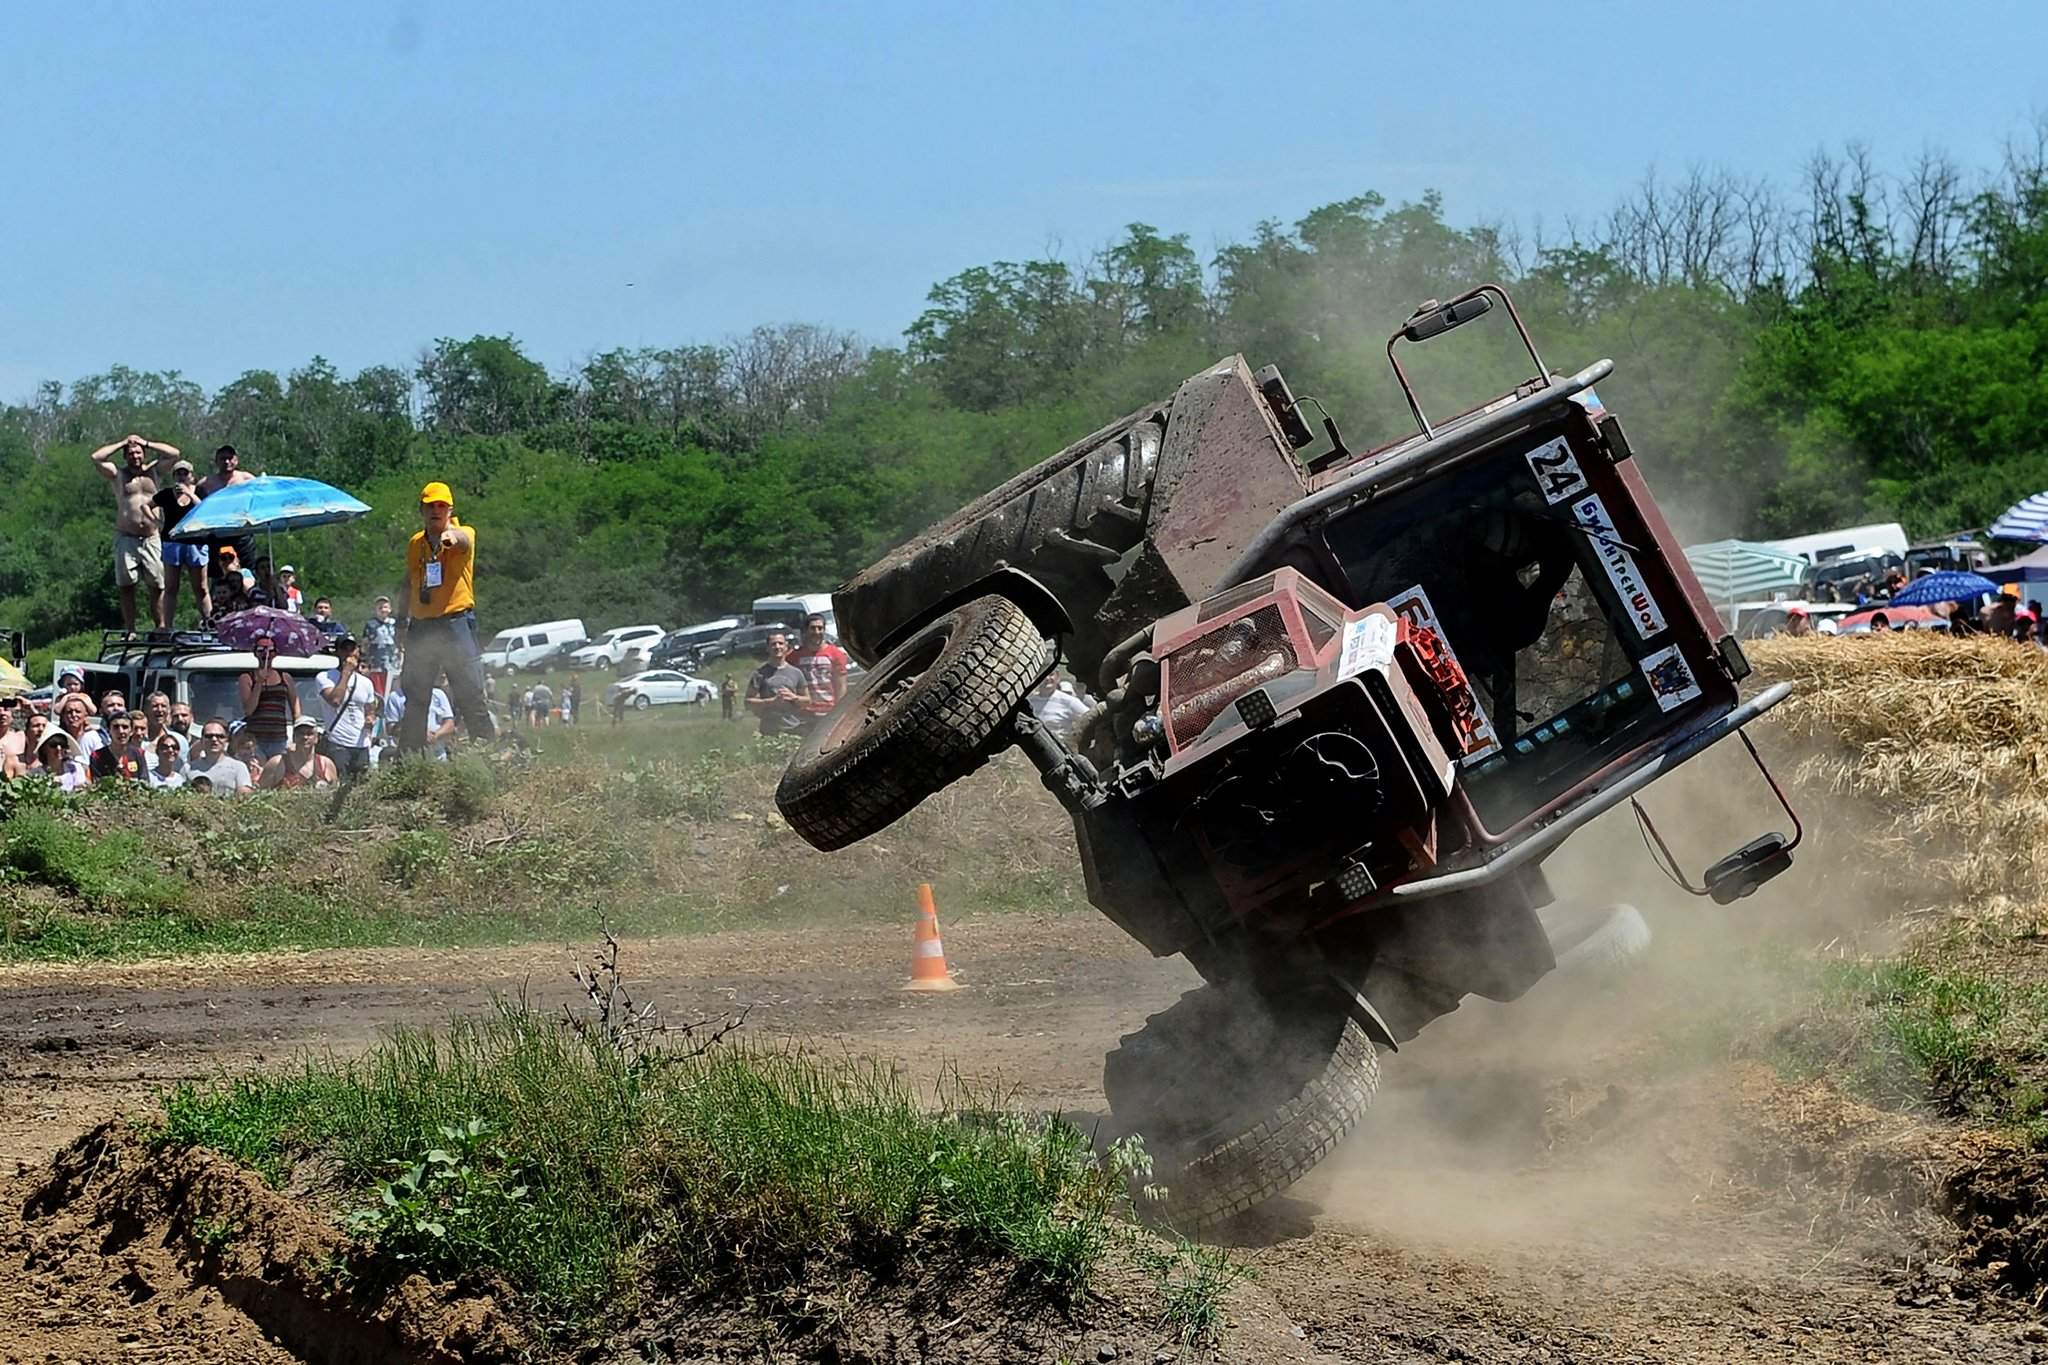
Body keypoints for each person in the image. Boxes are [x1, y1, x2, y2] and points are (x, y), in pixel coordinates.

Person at [393, 482, 494, 755]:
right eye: (430, 506)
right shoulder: (416, 544)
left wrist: (451, 537)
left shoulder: (463, 533)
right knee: (415, 696)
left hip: (455, 624)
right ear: (421, 510)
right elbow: (408, 583)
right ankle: (408, 761)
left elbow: (463, 541)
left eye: (441, 506)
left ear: (450, 509)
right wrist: (401, 622)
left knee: (469, 692)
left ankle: (488, 756)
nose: (435, 511)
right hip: (422, 626)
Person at [90, 433, 177, 630]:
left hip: (151, 536)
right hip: (126, 537)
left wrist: (145, 442)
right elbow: (96, 457)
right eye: (130, 453)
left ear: (144, 454)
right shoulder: (118, 474)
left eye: (138, 452)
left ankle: (160, 627)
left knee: (157, 584)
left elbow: (174, 454)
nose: (135, 456)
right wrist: (123, 442)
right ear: (125, 456)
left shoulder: (154, 471)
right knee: (127, 586)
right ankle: (130, 629)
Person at [152, 459, 210, 624]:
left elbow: (205, 508)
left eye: (185, 473)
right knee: (171, 587)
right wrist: (158, 523)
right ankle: (168, 626)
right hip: (173, 542)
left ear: (192, 476)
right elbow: (147, 506)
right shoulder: (166, 494)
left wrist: (189, 494)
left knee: (201, 587)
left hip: (196, 542)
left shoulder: (200, 491)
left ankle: (209, 623)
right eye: (178, 473)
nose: (182, 476)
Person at [317, 636, 378, 786]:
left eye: (352, 649)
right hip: (338, 743)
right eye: (345, 649)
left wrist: (370, 719)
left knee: (360, 786)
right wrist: (346, 673)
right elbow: (335, 701)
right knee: (339, 784)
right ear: (338, 652)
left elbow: (369, 709)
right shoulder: (325, 677)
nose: (349, 653)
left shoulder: (366, 682)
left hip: (361, 743)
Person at [196, 443, 257, 570]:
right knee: (218, 572)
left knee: (247, 569)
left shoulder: (247, 479)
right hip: (218, 532)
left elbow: (259, 500)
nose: (227, 461)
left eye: (230, 458)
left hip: (242, 531)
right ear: (216, 461)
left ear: (236, 460)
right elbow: (197, 507)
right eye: (223, 459)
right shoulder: (206, 483)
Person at [238, 633, 299, 759]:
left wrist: (296, 736)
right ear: (255, 653)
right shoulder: (247, 678)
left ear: (276, 653)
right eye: (261, 650)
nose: (266, 654)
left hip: (279, 738)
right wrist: (259, 683)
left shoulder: (285, 677)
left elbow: (295, 709)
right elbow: (249, 710)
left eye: (270, 650)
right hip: (255, 739)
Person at [787, 614, 849, 729]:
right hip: (804, 713)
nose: (816, 632)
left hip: (828, 711)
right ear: (805, 631)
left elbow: (841, 685)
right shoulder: (794, 657)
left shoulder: (836, 654)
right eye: (813, 628)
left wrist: (839, 710)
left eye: (820, 628)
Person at [745, 632, 809, 737]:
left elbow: (807, 701)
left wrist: (794, 697)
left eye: (780, 643)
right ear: (768, 648)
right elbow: (748, 702)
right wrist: (771, 702)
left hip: (794, 728)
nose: (777, 647)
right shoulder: (759, 674)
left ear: (786, 647)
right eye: (773, 644)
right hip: (769, 730)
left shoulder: (796, 672)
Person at [383, 682, 456, 759]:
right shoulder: (395, 697)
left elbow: (450, 724)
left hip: (437, 755)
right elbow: (391, 729)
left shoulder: (438, 694)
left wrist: (435, 735)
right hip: (408, 756)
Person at [260, 718, 336, 790]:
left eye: (310, 733)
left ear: (317, 738)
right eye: (300, 733)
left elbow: (334, 794)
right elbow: (261, 792)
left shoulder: (325, 764)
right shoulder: (278, 763)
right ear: (293, 737)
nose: (305, 737)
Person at [187, 719, 254, 795]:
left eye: (220, 736)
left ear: (226, 740)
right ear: (202, 740)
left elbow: (244, 795)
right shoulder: (189, 768)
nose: (214, 739)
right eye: (209, 736)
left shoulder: (239, 767)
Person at [88, 713, 147, 782]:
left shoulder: (138, 753)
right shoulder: (97, 756)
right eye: (116, 727)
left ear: (131, 731)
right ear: (108, 730)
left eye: (125, 727)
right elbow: (96, 784)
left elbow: (144, 782)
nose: (121, 731)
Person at [362, 596, 400, 689]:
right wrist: (365, 661)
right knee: (378, 688)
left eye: (385, 607)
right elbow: (365, 644)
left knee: (392, 687)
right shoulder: (370, 624)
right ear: (376, 610)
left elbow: (400, 641)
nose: (383, 610)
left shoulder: (395, 623)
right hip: (375, 662)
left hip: (393, 662)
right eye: (380, 607)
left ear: (390, 609)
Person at [140, 690, 187, 761]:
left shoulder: (179, 740)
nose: (159, 709)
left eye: (163, 706)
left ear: (168, 710)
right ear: (146, 710)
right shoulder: (138, 740)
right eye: (155, 706)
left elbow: (183, 769)